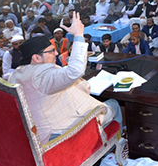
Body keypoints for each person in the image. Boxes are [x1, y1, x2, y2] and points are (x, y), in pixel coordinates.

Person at [9, 14, 122, 144]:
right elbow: (75, 71)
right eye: (51, 51)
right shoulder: (41, 73)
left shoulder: (16, 74)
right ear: (36, 58)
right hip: (59, 131)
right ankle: (115, 145)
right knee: (114, 104)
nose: (56, 53)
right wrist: (79, 35)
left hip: (36, 129)